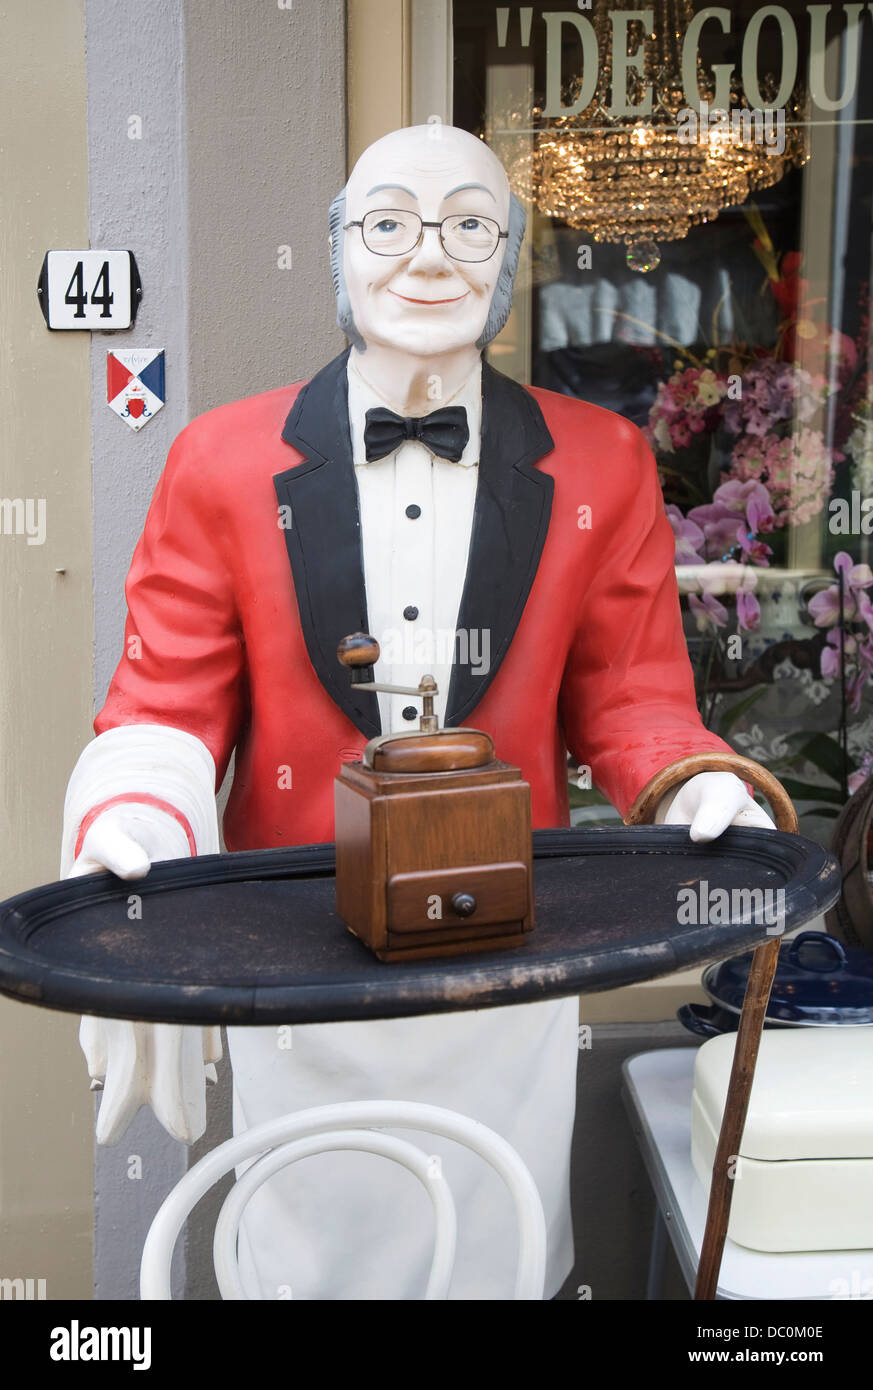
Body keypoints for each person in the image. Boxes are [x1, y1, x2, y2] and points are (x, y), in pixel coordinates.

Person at [62, 124, 774, 1300]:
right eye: (390, 223)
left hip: (508, 965)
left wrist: (695, 781)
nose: (428, 257)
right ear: (340, 253)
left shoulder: (604, 462)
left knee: (497, 1245)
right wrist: (136, 824)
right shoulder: (216, 459)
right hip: (292, 963)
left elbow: (634, 698)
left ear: (506, 262)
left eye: (469, 225)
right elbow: (165, 700)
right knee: (302, 1249)